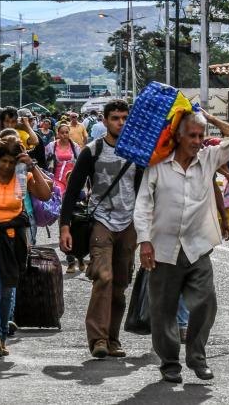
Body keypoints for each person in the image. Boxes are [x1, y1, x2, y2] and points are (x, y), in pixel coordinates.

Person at [134, 110, 229, 383]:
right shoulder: (158, 165)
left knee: (205, 303)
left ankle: (197, 357)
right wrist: (144, 240)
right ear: (178, 136)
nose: (197, 141)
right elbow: (143, 204)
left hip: (197, 247)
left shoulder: (208, 159)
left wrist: (209, 117)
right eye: (192, 135)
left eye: (201, 135)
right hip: (163, 249)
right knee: (163, 310)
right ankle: (170, 362)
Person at [60, 99, 143, 359]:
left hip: (129, 223)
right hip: (101, 221)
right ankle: (97, 339)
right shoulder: (92, 151)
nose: (120, 122)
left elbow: (145, 190)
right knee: (104, 277)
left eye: (124, 118)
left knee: (119, 284)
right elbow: (73, 191)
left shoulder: (137, 153)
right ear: (104, 121)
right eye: (115, 118)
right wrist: (64, 226)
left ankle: (113, 339)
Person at [0, 138, 51, 358]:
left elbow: (45, 195)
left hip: (13, 241)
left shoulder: (24, 177)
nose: (6, 166)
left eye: (11, 162)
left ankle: (2, 336)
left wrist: (32, 165)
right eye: (3, 161)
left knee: (7, 288)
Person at [45, 123, 80, 197]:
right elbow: (44, 157)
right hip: (57, 178)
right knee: (60, 195)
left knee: (70, 199)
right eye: (62, 133)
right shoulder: (52, 146)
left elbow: (81, 162)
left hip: (71, 178)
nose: (65, 134)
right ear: (58, 134)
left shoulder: (75, 146)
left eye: (67, 132)